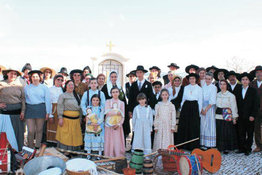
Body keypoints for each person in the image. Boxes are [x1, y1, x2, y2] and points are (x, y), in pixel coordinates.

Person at [24, 70, 51, 149]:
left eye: (37, 77)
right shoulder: (27, 87)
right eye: (33, 77)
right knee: (31, 130)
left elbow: (48, 100)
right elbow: (24, 99)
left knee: (39, 129)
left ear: (40, 78)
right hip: (30, 109)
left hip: (41, 109)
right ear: (31, 78)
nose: (35, 78)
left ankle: (37, 146)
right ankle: (30, 146)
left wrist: (47, 112)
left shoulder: (44, 87)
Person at [0, 68, 25, 151]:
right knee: (5, 135)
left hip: (17, 114)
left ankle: (18, 153)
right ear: (7, 74)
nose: (13, 75)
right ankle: (5, 153)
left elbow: (23, 99)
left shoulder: (20, 85)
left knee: (17, 134)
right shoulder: (1, 84)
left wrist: (23, 111)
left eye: (15, 74)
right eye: (11, 73)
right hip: (4, 114)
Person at [101, 71, 130, 141]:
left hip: (119, 114)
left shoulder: (119, 86)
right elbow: (103, 101)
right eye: (112, 77)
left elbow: (123, 100)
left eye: (115, 77)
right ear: (109, 78)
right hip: (109, 114)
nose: (114, 78)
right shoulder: (105, 87)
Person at [177, 73, 202, 150]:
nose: (192, 80)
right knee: (184, 125)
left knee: (193, 126)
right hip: (186, 107)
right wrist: (181, 108)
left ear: (196, 79)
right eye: (190, 79)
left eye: (193, 79)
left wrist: (199, 111)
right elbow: (183, 98)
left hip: (194, 107)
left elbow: (200, 100)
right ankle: (183, 145)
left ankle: (192, 146)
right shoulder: (186, 88)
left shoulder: (199, 88)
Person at [56, 80, 83, 150]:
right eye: (69, 85)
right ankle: (65, 151)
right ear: (66, 86)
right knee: (66, 136)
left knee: (74, 136)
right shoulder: (62, 96)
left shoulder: (77, 95)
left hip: (76, 121)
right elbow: (59, 106)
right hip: (66, 120)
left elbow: (79, 108)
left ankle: (73, 151)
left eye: (72, 85)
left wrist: (80, 118)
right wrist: (60, 117)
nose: (71, 86)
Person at [236, 72, 258, 155]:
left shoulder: (253, 91)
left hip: (249, 116)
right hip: (240, 115)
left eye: (246, 79)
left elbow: (256, 104)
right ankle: (242, 148)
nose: (244, 81)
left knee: (249, 133)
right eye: (243, 79)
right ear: (241, 81)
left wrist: (253, 115)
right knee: (241, 132)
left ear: (249, 81)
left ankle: (248, 148)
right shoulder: (238, 90)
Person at [215, 80, 238, 154]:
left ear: (226, 85)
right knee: (219, 131)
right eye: (221, 84)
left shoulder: (231, 95)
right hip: (218, 115)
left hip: (227, 114)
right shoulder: (217, 95)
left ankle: (226, 148)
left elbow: (234, 107)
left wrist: (234, 117)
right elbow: (215, 106)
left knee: (226, 132)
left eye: (224, 84)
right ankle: (220, 147)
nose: (222, 86)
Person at [104, 87, 125, 157]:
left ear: (119, 93)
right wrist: (117, 112)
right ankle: (109, 155)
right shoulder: (107, 102)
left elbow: (123, 115)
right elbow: (107, 113)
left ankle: (117, 155)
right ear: (111, 93)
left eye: (116, 92)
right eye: (113, 92)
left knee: (117, 141)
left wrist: (119, 124)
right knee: (109, 140)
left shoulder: (122, 103)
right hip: (108, 125)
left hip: (117, 125)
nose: (115, 93)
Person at [83, 94, 105, 159]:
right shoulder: (89, 108)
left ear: (99, 101)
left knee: (99, 140)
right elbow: (87, 117)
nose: (95, 102)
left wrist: (97, 124)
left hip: (99, 126)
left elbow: (101, 117)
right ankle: (88, 154)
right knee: (89, 139)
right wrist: (92, 124)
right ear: (91, 101)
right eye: (93, 100)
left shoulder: (101, 108)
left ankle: (99, 154)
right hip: (90, 126)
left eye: (97, 100)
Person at [200, 73, 217, 149]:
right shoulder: (203, 87)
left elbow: (212, 100)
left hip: (209, 108)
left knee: (209, 125)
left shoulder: (213, 87)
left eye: (209, 79)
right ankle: (203, 143)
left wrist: (206, 110)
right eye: (206, 78)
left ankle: (210, 143)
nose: (207, 80)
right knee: (203, 125)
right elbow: (200, 98)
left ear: (212, 79)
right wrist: (201, 109)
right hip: (202, 108)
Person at [46, 74, 64, 143]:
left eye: (61, 80)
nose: (59, 81)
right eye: (58, 79)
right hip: (53, 108)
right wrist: (50, 114)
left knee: (60, 126)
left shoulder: (63, 89)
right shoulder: (50, 89)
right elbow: (48, 102)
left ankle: (59, 142)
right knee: (52, 125)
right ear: (54, 80)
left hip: (61, 109)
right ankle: (51, 143)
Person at [250, 65, 262, 152]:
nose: (259, 74)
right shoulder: (252, 84)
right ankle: (259, 145)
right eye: (257, 72)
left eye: (260, 72)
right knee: (256, 128)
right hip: (256, 110)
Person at [170, 76, 184, 144]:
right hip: (171, 109)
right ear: (173, 82)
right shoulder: (170, 89)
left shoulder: (183, 89)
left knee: (177, 125)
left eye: (178, 80)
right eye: (175, 81)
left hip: (179, 109)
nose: (177, 82)